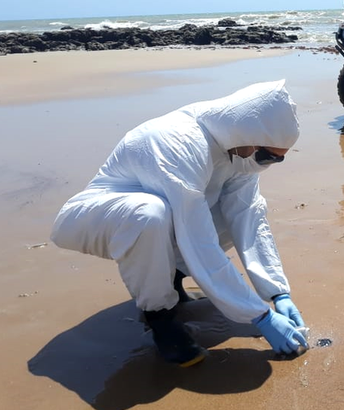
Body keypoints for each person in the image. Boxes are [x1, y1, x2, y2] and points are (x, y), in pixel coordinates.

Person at [50, 80, 309, 367]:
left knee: (246, 207)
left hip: (164, 219)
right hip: (94, 218)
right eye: (266, 156)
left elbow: (248, 218)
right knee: (149, 214)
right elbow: (196, 235)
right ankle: (159, 316)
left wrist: (277, 292)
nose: (267, 164)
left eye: (277, 160)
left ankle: (170, 279)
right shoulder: (179, 142)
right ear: (250, 134)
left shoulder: (240, 150)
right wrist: (259, 316)